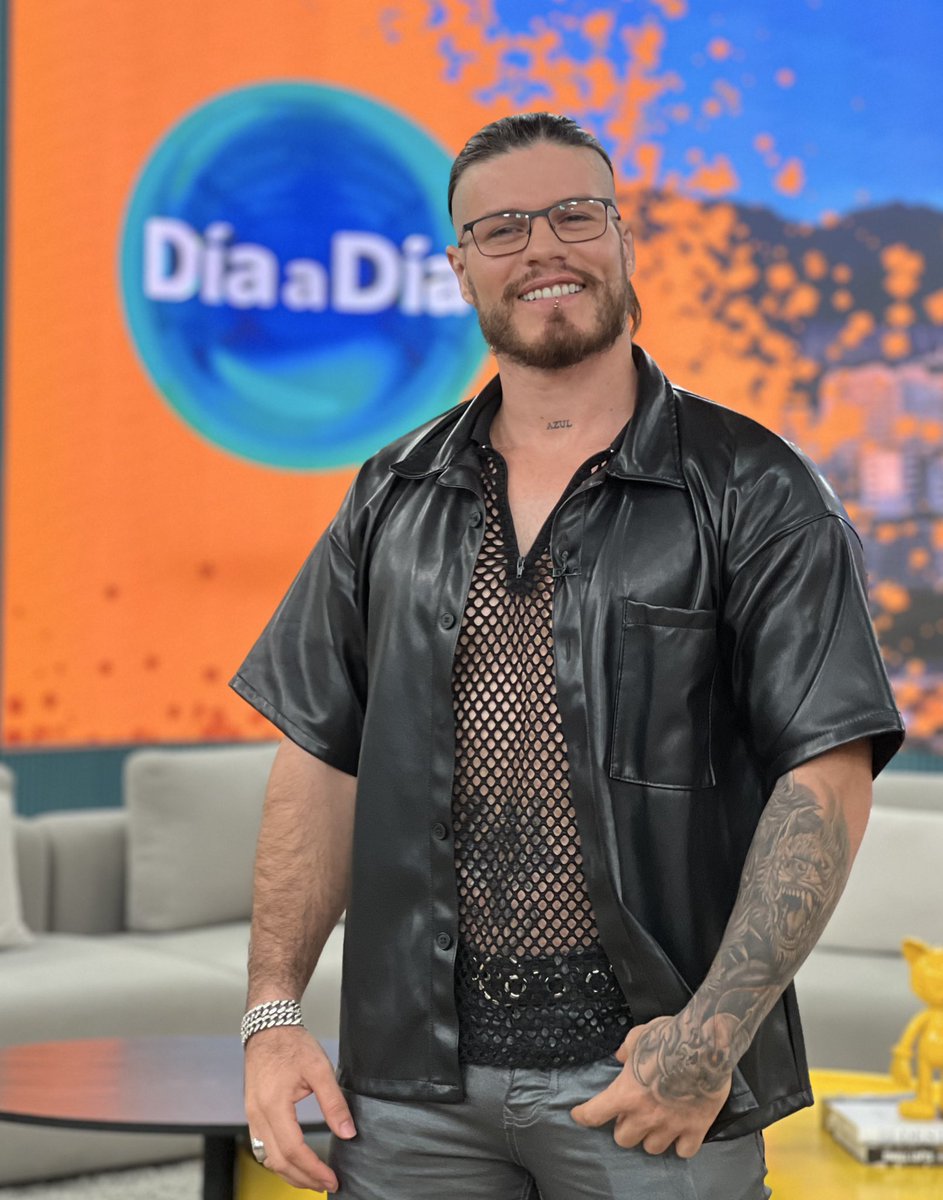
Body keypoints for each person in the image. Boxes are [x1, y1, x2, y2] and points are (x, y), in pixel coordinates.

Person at [230, 112, 904, 1199]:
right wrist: (271, 1013)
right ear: (460, 270)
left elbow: (824, 772)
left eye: (574, 214)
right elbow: (320, 755)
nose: (541, 246)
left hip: (650, 1083)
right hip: (408, 1091)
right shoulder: (390, 494)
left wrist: (710, 1038)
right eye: (500, 228)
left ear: (623, 238)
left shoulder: (757, 488)